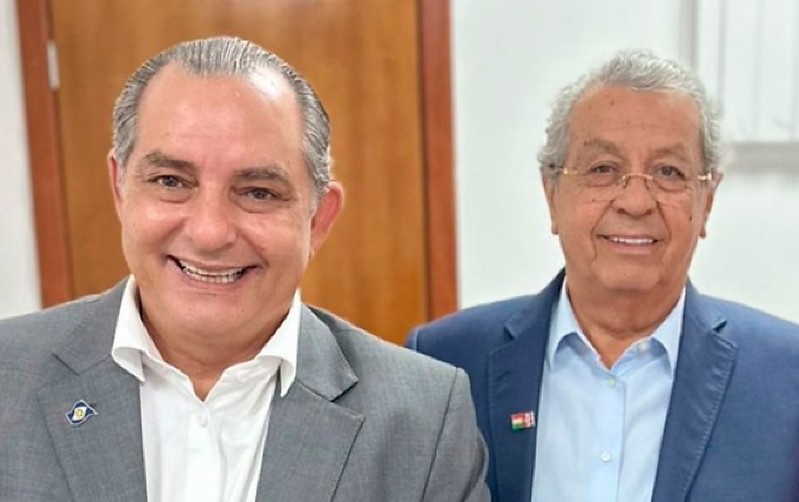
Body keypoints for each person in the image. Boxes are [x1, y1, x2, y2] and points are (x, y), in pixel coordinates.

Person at [0, 36, 488, 501]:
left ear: (318, 219)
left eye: (258, 192)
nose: (210, 232)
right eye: (171, 181)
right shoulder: (8, 376)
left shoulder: (423, 420)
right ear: (120, 189)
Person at [407, 50, 799, 502]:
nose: (635, 202)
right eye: (603, 170)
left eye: (668, 172)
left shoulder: (787, 378)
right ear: (552, 194)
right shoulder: (445, 363)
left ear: (706, 201)